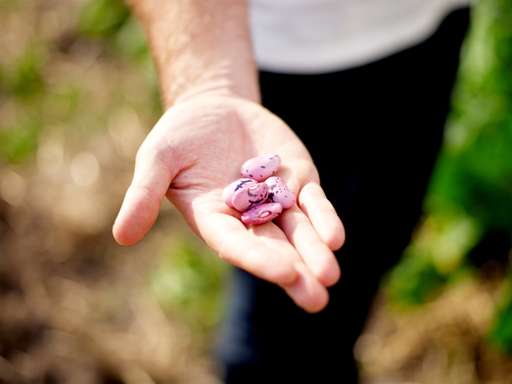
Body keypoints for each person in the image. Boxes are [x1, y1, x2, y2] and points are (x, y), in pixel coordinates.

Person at [113, 1, 471, 382]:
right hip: (267, 53)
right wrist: (206, 81)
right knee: (276, 328)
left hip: (429, 28)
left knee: (378, 241)